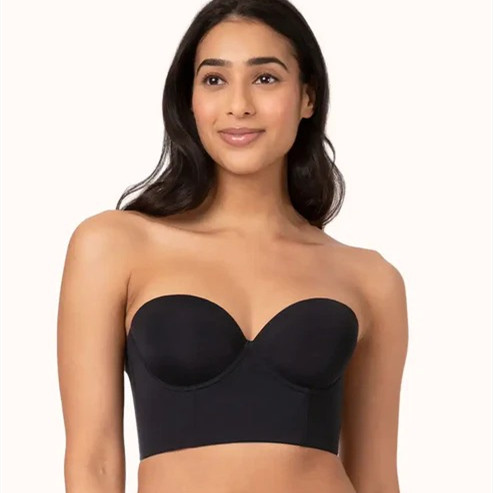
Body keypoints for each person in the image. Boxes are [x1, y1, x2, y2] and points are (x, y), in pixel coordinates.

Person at [57, 0, 409, 492]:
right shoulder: (114, 246)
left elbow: (377, 480)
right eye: (214, 79)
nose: (238, 105)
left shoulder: (370, 278)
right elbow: (92, 463)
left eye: (265, 78)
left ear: (307, 97)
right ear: (190, 100)